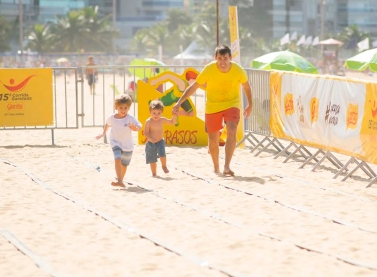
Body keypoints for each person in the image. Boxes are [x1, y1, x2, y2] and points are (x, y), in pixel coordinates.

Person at [172, 45, 252, 176]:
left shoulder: (238, 70)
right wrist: (179, 102)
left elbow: (247, 87)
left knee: (232, 131)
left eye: (225, 58)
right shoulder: (209, 69)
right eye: (220, 58)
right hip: (213, 106)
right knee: (213, 139)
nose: (223, 62)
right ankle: (216, 167)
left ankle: (227, 166)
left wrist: (250, 105)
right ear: (215, 58)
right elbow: (194, 86)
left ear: (230, 58)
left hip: (232, 104)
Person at [96, 94, 142, 187]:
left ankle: (121, 180)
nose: (123, 110)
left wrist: (135, 128)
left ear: (129, 108)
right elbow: (108, 124)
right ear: (116, 107)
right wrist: (103, 133)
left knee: (124, 164)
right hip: (115, 142)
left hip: (128, 145)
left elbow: (139, 125)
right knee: (117, 159)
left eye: (125, 108)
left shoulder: (130, 118)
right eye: (121, 108)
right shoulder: (112, 117)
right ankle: (120, 180)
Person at [144, 100, 177, 177]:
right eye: (154, 113)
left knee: (162, 154)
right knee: (152, 160)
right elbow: (146, 132)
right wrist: (150, 138)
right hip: (150, 143)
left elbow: (172, 123)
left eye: (159, 113)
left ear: (162, 113)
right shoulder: (148, 121)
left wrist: (174, 116)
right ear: (150, 112)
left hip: (160, 141)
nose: (156, 115)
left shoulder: (162, 120)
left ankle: (164, 165)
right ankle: (154, 173)